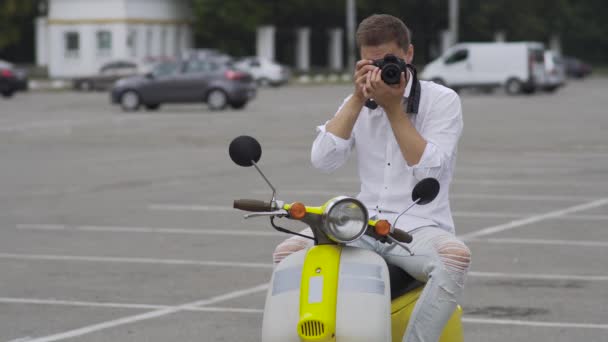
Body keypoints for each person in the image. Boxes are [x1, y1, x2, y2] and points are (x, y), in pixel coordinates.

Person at [273, 14, 471, 342]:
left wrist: (393, 109)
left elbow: (430, 169)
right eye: (371, 63)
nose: (380, 72)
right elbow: (323, 160)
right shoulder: (359, 100)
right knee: (285, 254)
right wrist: (356, 99)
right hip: (363, 224)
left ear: (408, 54)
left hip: (419, 226)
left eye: (389, 61)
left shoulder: (442, 100)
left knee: (455, 257)